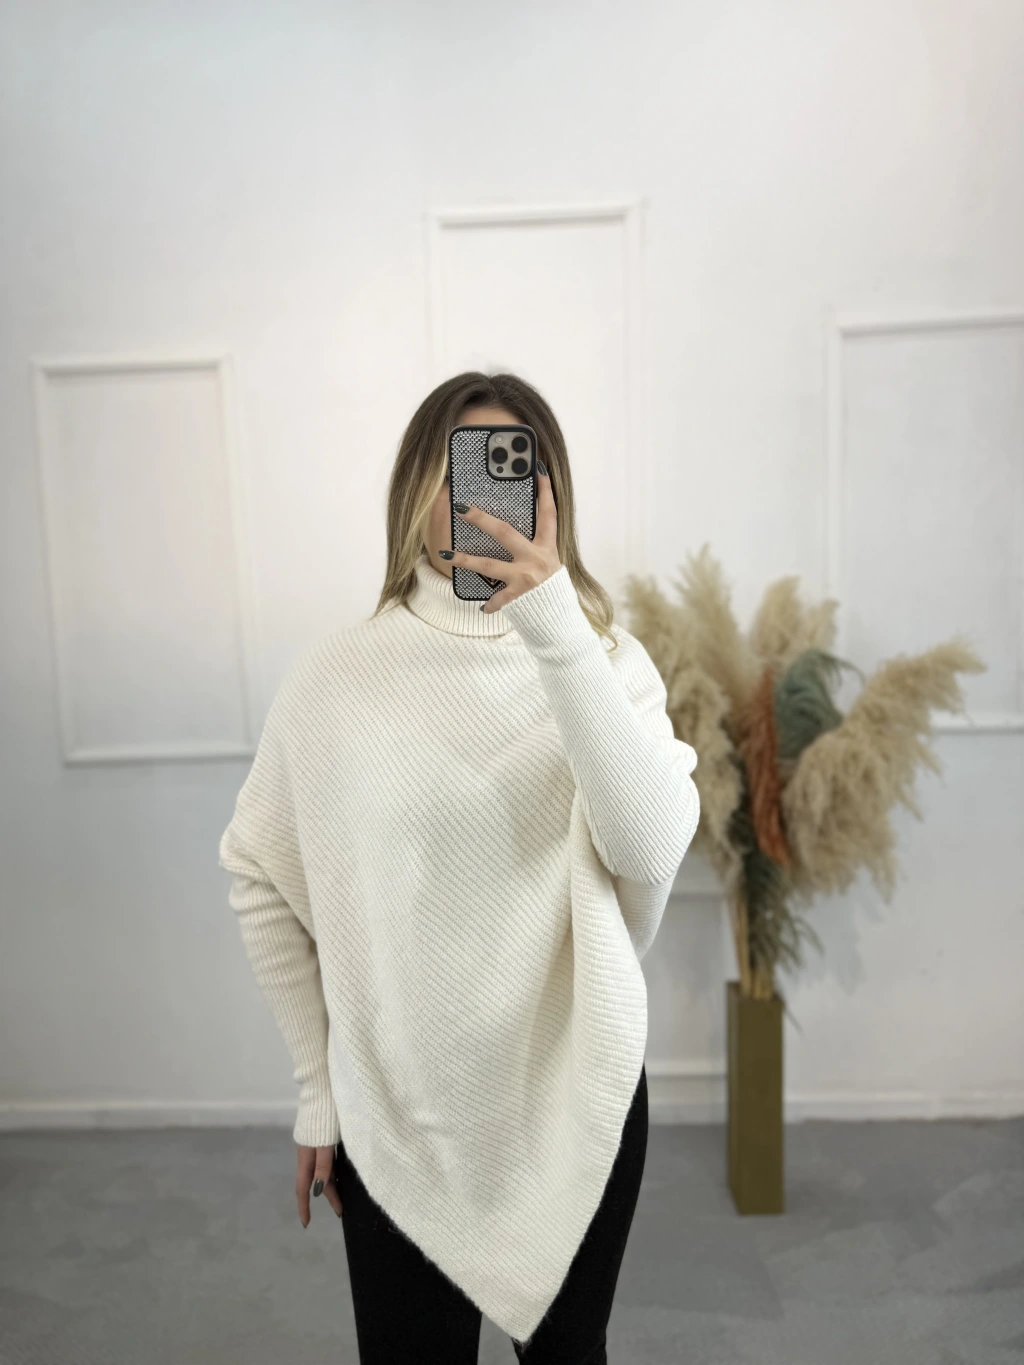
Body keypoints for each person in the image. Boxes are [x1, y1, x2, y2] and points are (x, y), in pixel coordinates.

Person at [218, 371, 701, 1363]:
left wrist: (555, 624)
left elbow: (651, 848)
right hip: (400, 1111)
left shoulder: (605, 663)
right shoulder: (338, 678)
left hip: (574, 1097)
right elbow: (259, 872)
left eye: (512, 470)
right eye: (461, 469)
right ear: (414, 491)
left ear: (551, 495)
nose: (482, 499)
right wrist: (316, 1087)